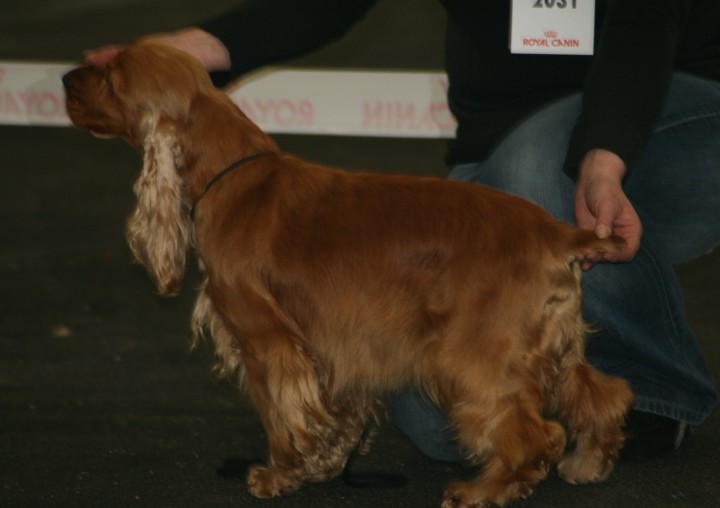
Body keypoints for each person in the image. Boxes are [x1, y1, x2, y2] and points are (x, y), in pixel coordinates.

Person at [86, 0, 720, 460]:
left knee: (541, 169)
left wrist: (604, 161)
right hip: (496, 148)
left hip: (664, 113)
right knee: (438, 427)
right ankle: (567, 387)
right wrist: (197, 48)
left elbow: (642, 27)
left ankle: (655, 389)